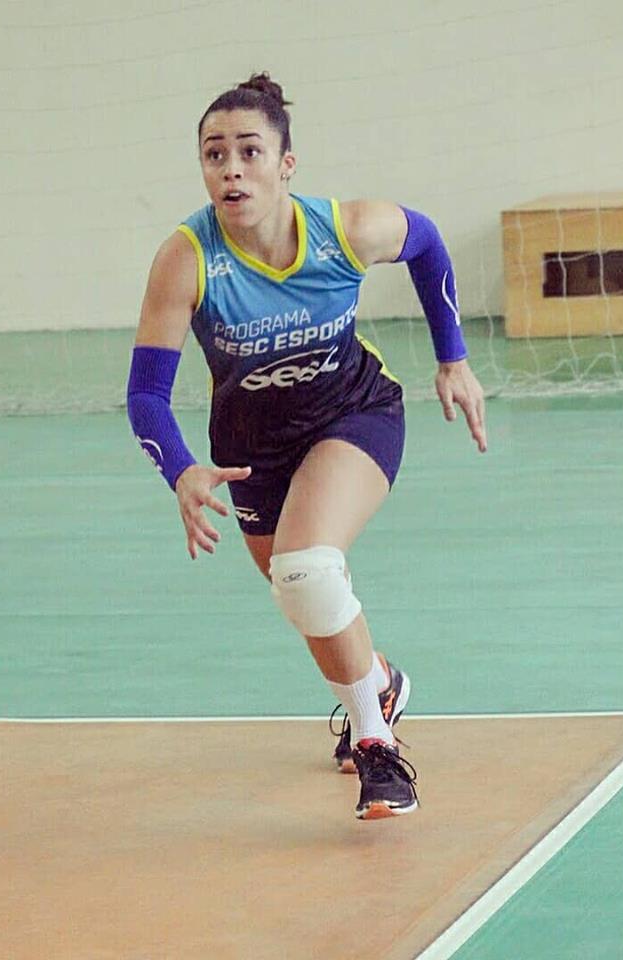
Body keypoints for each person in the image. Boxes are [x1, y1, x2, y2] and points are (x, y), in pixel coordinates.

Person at [126, 73, 486, 820]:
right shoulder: (187, 259)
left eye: (249, 152)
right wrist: (182, 472)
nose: (231, 170)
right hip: (252, 446)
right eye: (214, 154)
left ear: (286, 164)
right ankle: (378, 681)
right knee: (300, 587)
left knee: (306, 567)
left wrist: (453, 357)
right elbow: (146, 395)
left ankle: (378, 748)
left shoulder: (346, 230)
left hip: (354, 413)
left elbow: (426, 242)